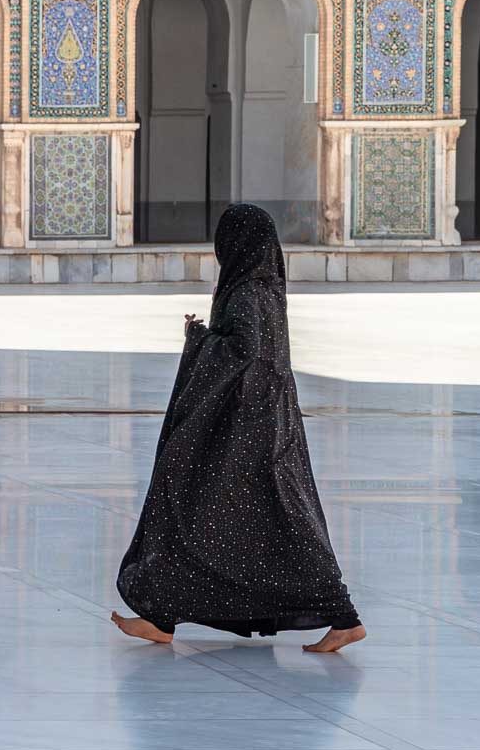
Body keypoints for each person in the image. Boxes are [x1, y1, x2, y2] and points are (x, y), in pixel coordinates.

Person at [113, 202, 365, 653]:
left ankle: (343, 616)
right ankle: (161, 617)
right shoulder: (263, 286)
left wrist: (199, 338)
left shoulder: (248, 291)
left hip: (245, 432)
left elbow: (245, 351)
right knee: (216, 518)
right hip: (253, 424)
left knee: (245, 515)